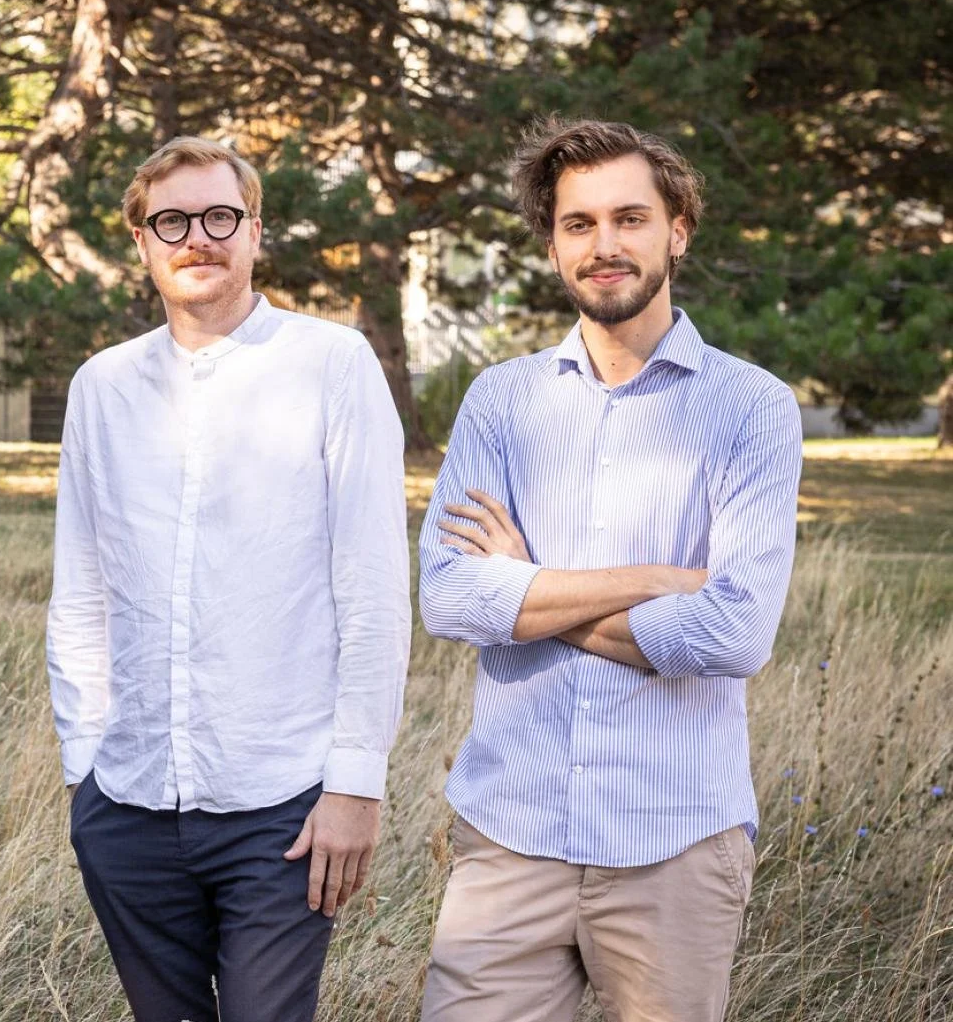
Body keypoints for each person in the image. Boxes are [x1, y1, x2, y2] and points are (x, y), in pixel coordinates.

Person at [417, 118, 802, 1022]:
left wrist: (530, 588)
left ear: (678, 230)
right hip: (509, 839)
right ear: (552, 245)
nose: (605, 245)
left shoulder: (752, 408)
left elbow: (734, 632)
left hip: (675, 845)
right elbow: (449, 595)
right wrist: (658, 579)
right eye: (579, 224)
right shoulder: (500, 400)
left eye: (630, 218)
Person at [46, 136, 412, 1022]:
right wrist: (84, 767)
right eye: (171, 221)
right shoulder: (102, 387)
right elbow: (81, 588)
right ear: (142, 241)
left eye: (219, 217)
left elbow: (372, 590)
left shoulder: (333, 363)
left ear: (255, 231)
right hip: (129, 801)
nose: (197, 238)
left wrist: (355, 783)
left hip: (281, 804)